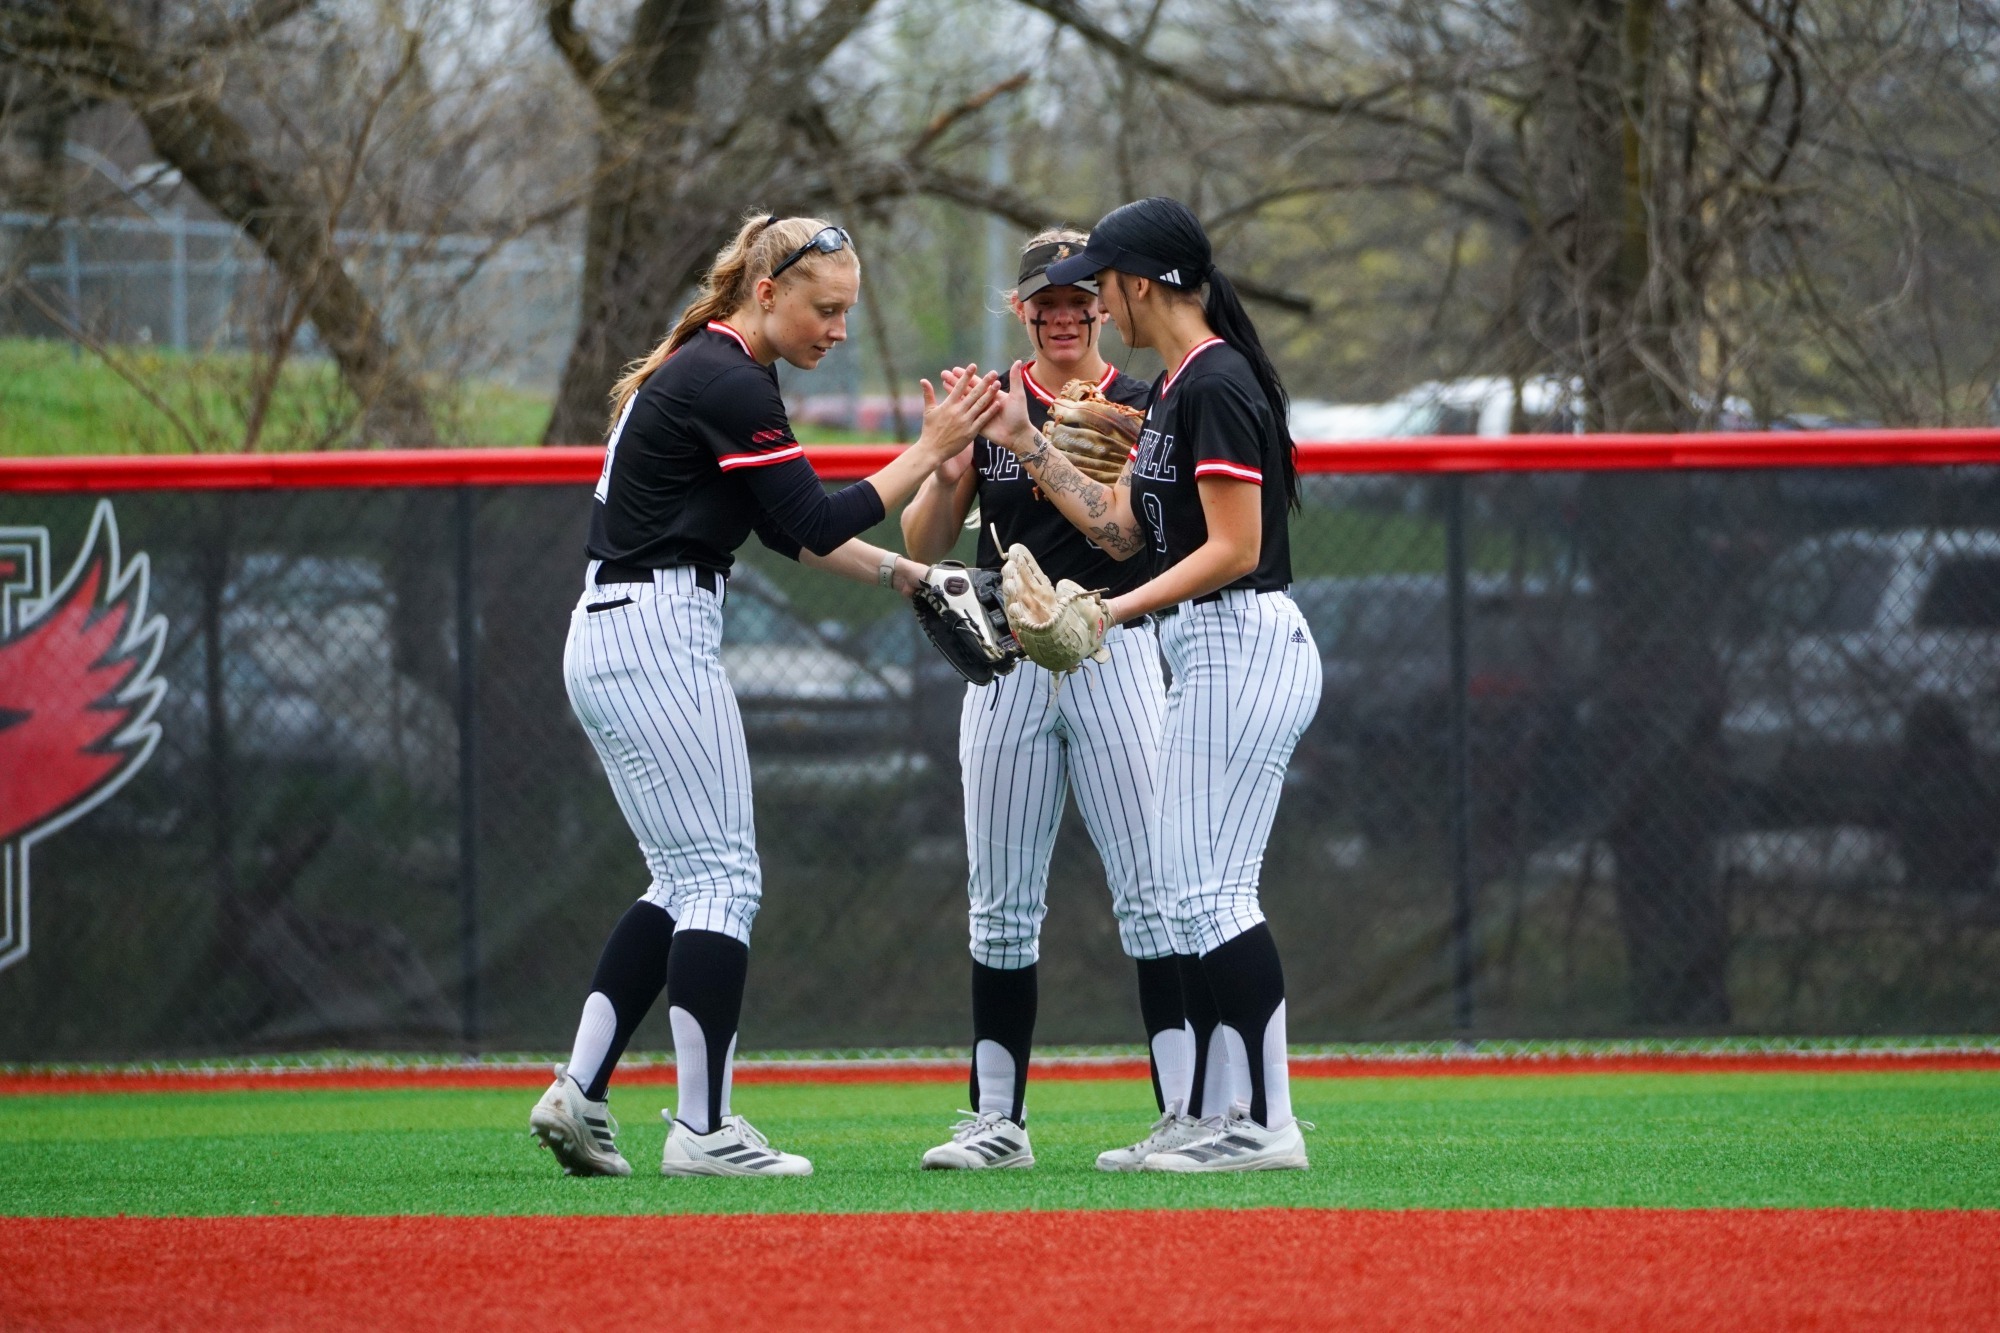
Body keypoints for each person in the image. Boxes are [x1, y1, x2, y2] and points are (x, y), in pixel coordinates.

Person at [530, 212, 1001, 1178]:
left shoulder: (717, 369)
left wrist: (907, 576)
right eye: (824, 309)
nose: (837, 329)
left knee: (681, 881)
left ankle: (578, 1092)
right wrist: (931, 447)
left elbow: (786, 535)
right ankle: (703, 1131)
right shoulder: (728, 378)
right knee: (723, 883)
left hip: (620, 626)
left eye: (847, 314)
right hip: (656, 629)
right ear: (767, 290)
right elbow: (814, 511)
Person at [982, 197, 1321, 1171]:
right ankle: (1212, 1116)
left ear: (1140, 283)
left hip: (1242, 642)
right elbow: (1125, 532)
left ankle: (1264, 1124)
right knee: (1182, 893)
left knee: (1213, 894)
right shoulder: (1175, 387)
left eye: (1102, 282)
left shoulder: (1211, 379)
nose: (1093, 300)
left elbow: (1234, 548)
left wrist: (1106, 614)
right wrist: (1031, 445)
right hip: (1205, 648)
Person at [901, 230, 1202, 1172]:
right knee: (999, 904)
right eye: (1046, 299)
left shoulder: (1151, 402)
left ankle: (1187, 1113)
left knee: (1153, 897)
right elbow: (926, 536)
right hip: (1008, 654)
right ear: (1021, 308)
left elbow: (1132, 546)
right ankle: (998, 1120)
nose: (1064, 312)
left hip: (1114, 646)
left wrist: (1040, 448)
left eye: (1080, 296)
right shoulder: (986, 402)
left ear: (1106, 305)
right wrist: (948, 464)